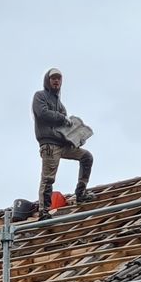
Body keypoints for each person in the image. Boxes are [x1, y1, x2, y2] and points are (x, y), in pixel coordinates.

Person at [32, 68, 94, 215]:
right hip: (49, 145)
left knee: (87, 157)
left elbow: (64, 130)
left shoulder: (60, 105)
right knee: (48, 178)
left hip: (61, 144)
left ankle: (81, 192)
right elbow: (42, 113)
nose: (56, 81)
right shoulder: (40, 97)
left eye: (58, 79)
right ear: (47, 81)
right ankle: (44, 210)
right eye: (53, 78)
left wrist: (75, 139)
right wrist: (62, 118)